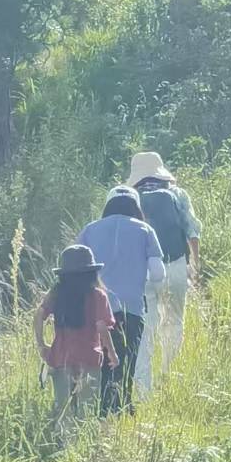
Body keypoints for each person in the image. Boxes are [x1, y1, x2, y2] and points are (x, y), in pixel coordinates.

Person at [78, 186, 165, 415]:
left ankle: (96, 410)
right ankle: (120, 409)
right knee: (125, 363)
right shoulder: (145, 230)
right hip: (131, 308)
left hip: (94, 309)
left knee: (98, 361)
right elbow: (158, 274)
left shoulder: (89, 230)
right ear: (136, 206)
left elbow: (75, 267)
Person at [127, 152, 202, 397]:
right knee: (175, 321)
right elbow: (193, 230)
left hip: (144, 272)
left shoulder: (130, 197)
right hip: (176, 265)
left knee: (146, 329)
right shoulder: (177, 194)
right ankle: (169, 375)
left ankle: (143, 391)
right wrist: (195, 264)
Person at [35, 244, 119, 431]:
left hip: (61, 357)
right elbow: (101, 327)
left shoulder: (57, 294)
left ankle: (64, 447)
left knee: (63, 408)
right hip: (89, 358)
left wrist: (41, 344)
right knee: (86, 408)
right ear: (91, 272)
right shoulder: (98, 295)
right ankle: (81, 449)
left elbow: (39, 315)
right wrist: (111, 353)